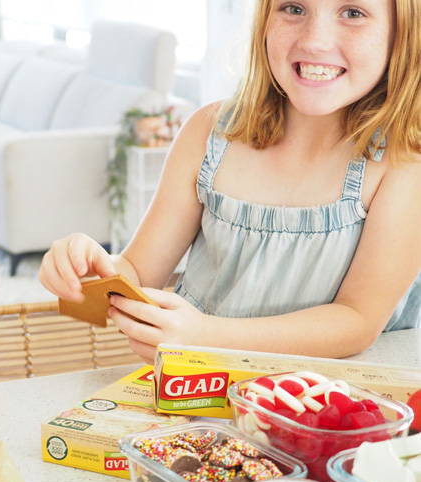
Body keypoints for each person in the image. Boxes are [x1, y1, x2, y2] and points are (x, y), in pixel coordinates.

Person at [40, 0, 421, 364]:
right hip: (196, 404)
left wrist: (206, 334)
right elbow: (138, 273)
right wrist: (91, 274)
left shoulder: (405, 163)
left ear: (400, 33)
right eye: (293, 8)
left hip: (328, 415)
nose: (315, 40)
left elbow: (358, 322)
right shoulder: (208, 134)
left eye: (353, 12)